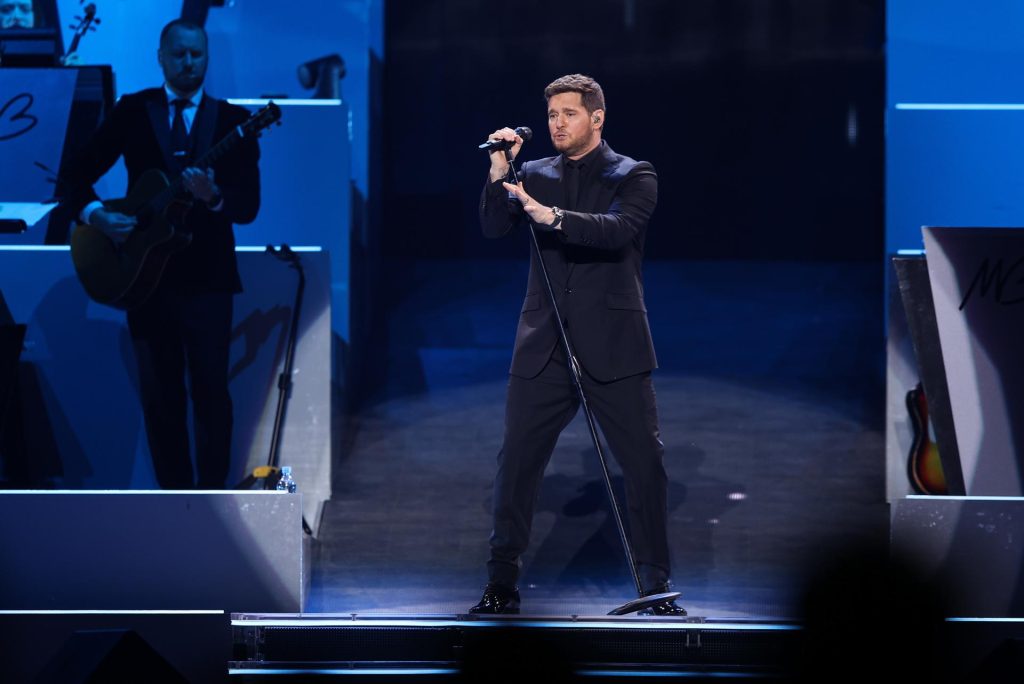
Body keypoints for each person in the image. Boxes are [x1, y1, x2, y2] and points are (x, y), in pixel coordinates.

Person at [471, 74, 685, 615]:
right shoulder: (534, 173)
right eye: (551, 115)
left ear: (597, 117)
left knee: (643, 465)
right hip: (543, 344)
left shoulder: (633, 174)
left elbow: (617, 231)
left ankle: (655, 588)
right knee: (516, 462)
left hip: (614, 345)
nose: (558, 124)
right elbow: (495, 226)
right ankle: (501, 585)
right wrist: (499, 171)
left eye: (569, 113)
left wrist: (552, 216)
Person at [64, 19, 261, 489]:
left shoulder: (234, 121)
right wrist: (96, 215)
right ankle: (173, 503)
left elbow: (249, 206)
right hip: (142, 280)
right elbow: (73, 173)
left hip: (209, 280)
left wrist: (214, 197)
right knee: (160, 398)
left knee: (212, 393)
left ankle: (213, 502)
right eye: (179, 54)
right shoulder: (134, 111)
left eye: (197, 55)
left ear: (207, 57)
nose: (189, 63)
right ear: (161, 56)